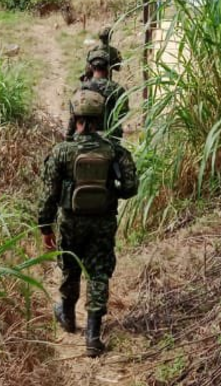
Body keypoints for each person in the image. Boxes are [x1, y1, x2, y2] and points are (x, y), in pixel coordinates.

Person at [39, 89, 139, 357]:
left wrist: (45, 226)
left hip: (70, 221)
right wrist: (108, 191)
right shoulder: (115, 151)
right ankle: (93, 336)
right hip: (103, 223)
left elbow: (49, 194)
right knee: (99, 273)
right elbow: (130, 188)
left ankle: (68, 317)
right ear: (101, 118)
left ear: (76, 117)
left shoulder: (61, 152)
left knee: (70, 269)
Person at [72, 48, 129, 140]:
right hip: (111, 137)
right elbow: (123, 113)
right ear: (108, 67)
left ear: (90, 67)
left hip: (84, 137)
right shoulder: (118, 89)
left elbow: (73, 114)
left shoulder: (81, 89)